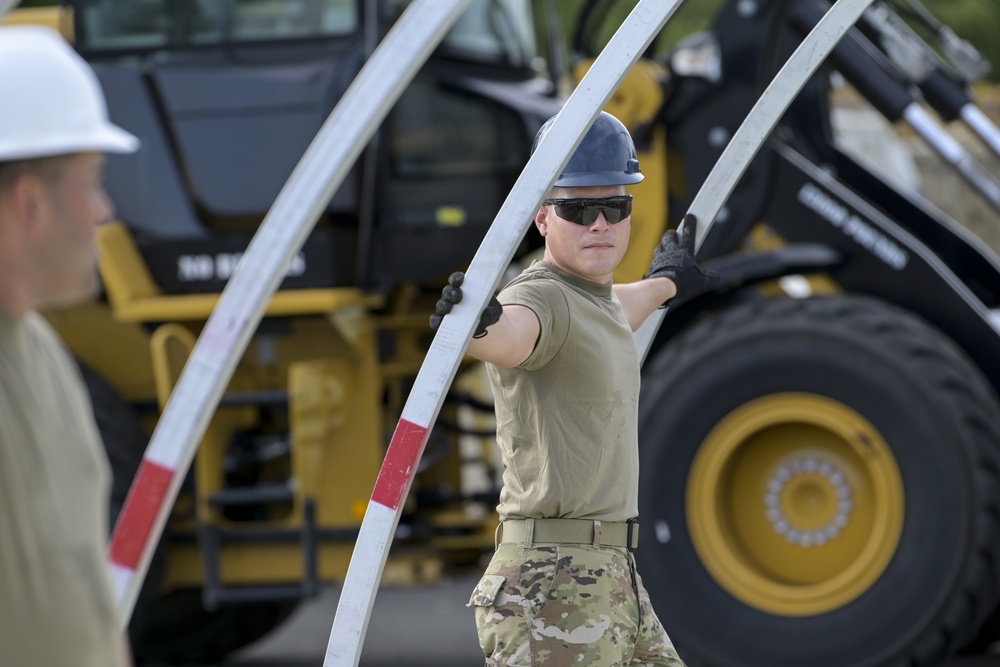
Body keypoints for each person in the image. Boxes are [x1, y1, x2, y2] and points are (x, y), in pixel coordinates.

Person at [431, 111, 718, 666]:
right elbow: (513, 337)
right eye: (578, 209)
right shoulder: (541, 298)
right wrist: (477, 325)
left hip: (611, 576)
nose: (600, 225)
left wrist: (667, 282)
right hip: (552, 584)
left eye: (615, 207)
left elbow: (614, 313)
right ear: (542, 217)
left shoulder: (591, 300)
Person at [0, 24, 140, 666]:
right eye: (92, 180)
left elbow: (81, 596)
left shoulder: (45, 355)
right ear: (30, 202)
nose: (104, 209)